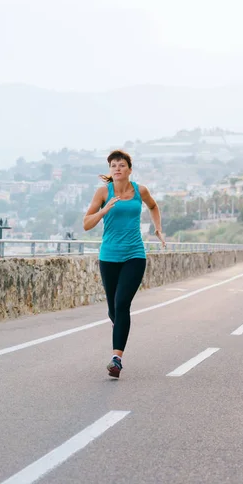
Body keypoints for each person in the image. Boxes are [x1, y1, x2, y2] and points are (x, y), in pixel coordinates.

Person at [83, 149, 166, 378]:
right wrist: (104, 210)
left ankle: (116, 360)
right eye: (113, 166)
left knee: (121, 304)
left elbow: (153, 206)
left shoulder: (140, 191)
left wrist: (157, 229)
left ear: (129, 169)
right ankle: (119, 329)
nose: (117, 169)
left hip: (134, 255)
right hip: (109, 256)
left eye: (121, 165)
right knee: (113, 310)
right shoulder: (103, 192)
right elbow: (86, 224)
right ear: (110, 170)